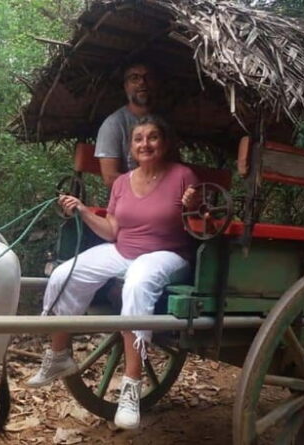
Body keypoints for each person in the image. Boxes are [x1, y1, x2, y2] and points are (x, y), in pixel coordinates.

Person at [26, 116, 200, 430]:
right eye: (138, 139)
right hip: (122, 250)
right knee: (65, 273)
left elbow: (199, 227)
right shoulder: (121, 183)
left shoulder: (183, 176)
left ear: (165, 142)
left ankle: (131, 388)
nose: (145, 144)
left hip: (168, 254)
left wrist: (195, 205)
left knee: (137, 283)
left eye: (153, 137)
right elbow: (111, 231)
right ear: (131, 146)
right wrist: (82, 210)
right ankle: (59, 354)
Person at [95, 63, 157, 188]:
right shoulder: (113, 124)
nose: (142, 82)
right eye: (134, 78)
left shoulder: (162, 122)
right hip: (128, 199)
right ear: (126, 86)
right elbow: (110, 178)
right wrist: (152, 186)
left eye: (147, 77)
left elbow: (174, 163)